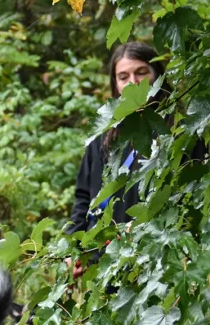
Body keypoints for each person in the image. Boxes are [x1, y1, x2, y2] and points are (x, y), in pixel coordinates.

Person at [67, 41, 166, 277]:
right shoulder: (102, 138)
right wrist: (73, 249)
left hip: (159, 260)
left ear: (157, 76)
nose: (133, 82)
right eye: (123, 77)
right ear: (116, 84)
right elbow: (84, 199)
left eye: (141, 73)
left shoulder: (178, 131)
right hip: (105, 264)